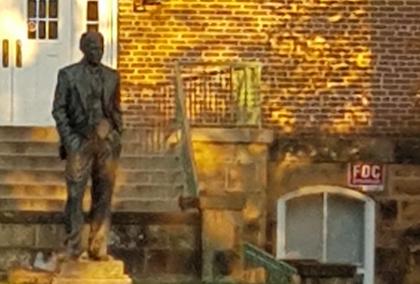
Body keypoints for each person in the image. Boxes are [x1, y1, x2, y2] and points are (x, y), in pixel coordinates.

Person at [52, 31, 122, 261]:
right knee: (75, 194)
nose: (97, 52)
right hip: (79, 141)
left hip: (105, 144)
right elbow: (59, 110)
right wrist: (69, 139)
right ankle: (73, 246)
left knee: (103, 195)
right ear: (83, 48)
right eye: (92, 47)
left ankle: (98, 246)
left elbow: (115, 110)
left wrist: (115, 132)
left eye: (101, 47)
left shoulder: (112, 76)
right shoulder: (68, 75)